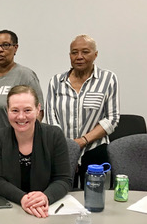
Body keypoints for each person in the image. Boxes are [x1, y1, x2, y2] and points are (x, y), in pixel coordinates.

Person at [45, 34, 120, 189]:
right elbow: (51, 117)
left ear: (95, 54)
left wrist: (83, 141)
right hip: (62, 149)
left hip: (94, 148)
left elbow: (112, 118)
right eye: (74, 52)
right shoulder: (56, 81)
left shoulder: (108, 79)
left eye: (85, 52)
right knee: (63, 194)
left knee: (94, 197)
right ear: (69, 55)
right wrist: (67, 146)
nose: (79, 57)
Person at [0, 85, 71, 218]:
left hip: (46, 210)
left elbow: (64, 179)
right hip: (11, 209)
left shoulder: (54, 135)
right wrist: (23, 199)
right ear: (7, 110)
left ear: (38, 109)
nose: (21, 117)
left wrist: (45, 197)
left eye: (27, 110)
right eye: (15, 110)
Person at [0, 30, 44, 171]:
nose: (0, 50)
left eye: (5, 45)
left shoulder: (25, 75)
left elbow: (38, 113)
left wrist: (26, 148)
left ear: (15, 48)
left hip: (16, 150)